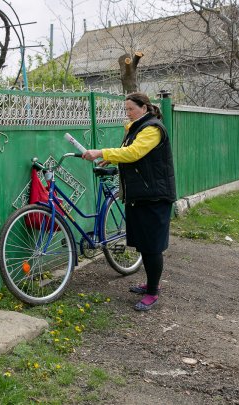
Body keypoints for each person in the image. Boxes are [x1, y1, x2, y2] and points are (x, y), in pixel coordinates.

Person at [82, 92, 176, 311]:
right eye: (126, 110)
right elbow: (128, 153)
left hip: (154, 196)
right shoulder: (136, 127)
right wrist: (111, 157)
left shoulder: (152, 129)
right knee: (144, 244)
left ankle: (153, 292)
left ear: (144, 108)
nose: (128, 113)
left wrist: (100, 152)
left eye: (131, 109)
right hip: (141, 195)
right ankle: (151, 283)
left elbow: (134, 153)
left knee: (152, 247)